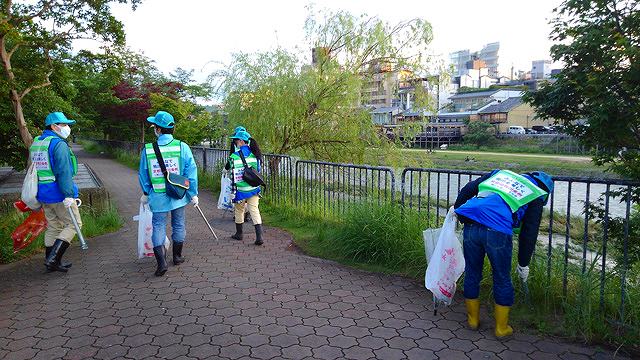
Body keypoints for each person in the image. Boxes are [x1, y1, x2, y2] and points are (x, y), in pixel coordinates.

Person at [453, 169, 554, 338]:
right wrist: (523, 263)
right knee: (501, 277)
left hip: (471, 224)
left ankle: (472, 320)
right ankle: (501, 328)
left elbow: (469, 188)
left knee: (472, 272)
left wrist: (458, 210)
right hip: (497, 230)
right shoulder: (536, 194)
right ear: (546, 192)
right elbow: (528, 233)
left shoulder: (500, 174)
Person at [138, 111, 199, 276]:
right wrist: (193, 193)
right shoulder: (182, 147)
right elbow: (190, 171)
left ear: (158, 129)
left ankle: (161, 262)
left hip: (157, 196)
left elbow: (143, 174)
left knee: (158, 226)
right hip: (178, 195)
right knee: (178, 224)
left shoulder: (148, 149)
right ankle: (177, 257)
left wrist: (145, 192)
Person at [29, 112, 82, 273]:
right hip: (58, 193)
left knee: (53, 226)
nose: (67, 128)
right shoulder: (58, 144)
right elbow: (63, 172)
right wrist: (68, 195)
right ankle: (53, 259)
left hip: (42, 193)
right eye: (64, 124)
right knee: (74, 224)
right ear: (53, 126)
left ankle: (50, 262)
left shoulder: (37, 143)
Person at [226, 129, 264, 245]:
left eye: (235, 141)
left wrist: (232, 193)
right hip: (254, 189)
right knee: (254, 210)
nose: (234, 143)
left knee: (239, 210)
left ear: (241, 141)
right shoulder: (256, 155)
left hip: (241, 191)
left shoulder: (234, 156)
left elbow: (233, 178)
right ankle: (259, 237)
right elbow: (257, 172)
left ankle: (239, 234)